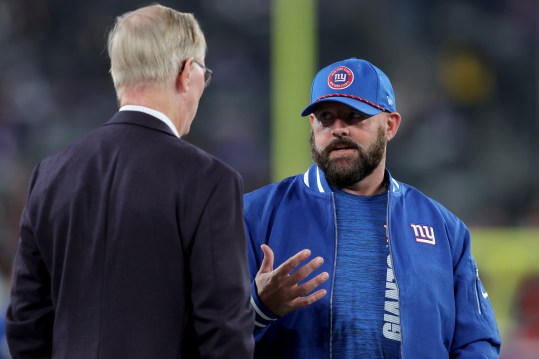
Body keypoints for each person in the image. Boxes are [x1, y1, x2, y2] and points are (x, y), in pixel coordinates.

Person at [6, 4, 254, 358]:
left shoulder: (50, 174)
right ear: (186, 73)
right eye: (204, 72)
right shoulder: (210, 180)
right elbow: (223, 333)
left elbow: (26, 325)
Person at [244, 57, 501, 358]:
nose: (339, 129)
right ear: (313, 125)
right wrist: (258, 309)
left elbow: (476, 341)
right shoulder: (254, 215)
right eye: (326, 117)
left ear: (390, 125)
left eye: (354, 116)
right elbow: (201, 335)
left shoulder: (443, 229)